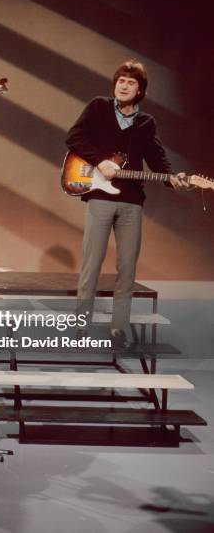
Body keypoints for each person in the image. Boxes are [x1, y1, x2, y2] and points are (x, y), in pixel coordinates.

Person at [66, 59, 190, 347]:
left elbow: (157, 159)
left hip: (132, 201)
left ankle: (118, 328)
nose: (124, 85)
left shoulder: (146, 123)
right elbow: (73, 136)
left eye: (131, 82)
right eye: (121, 80)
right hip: (99, 196)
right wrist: (100, 161)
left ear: (140, 91)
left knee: (127, 268)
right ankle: (80, 326)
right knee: (92, 263)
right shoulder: (98, 107)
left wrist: (174, 178)